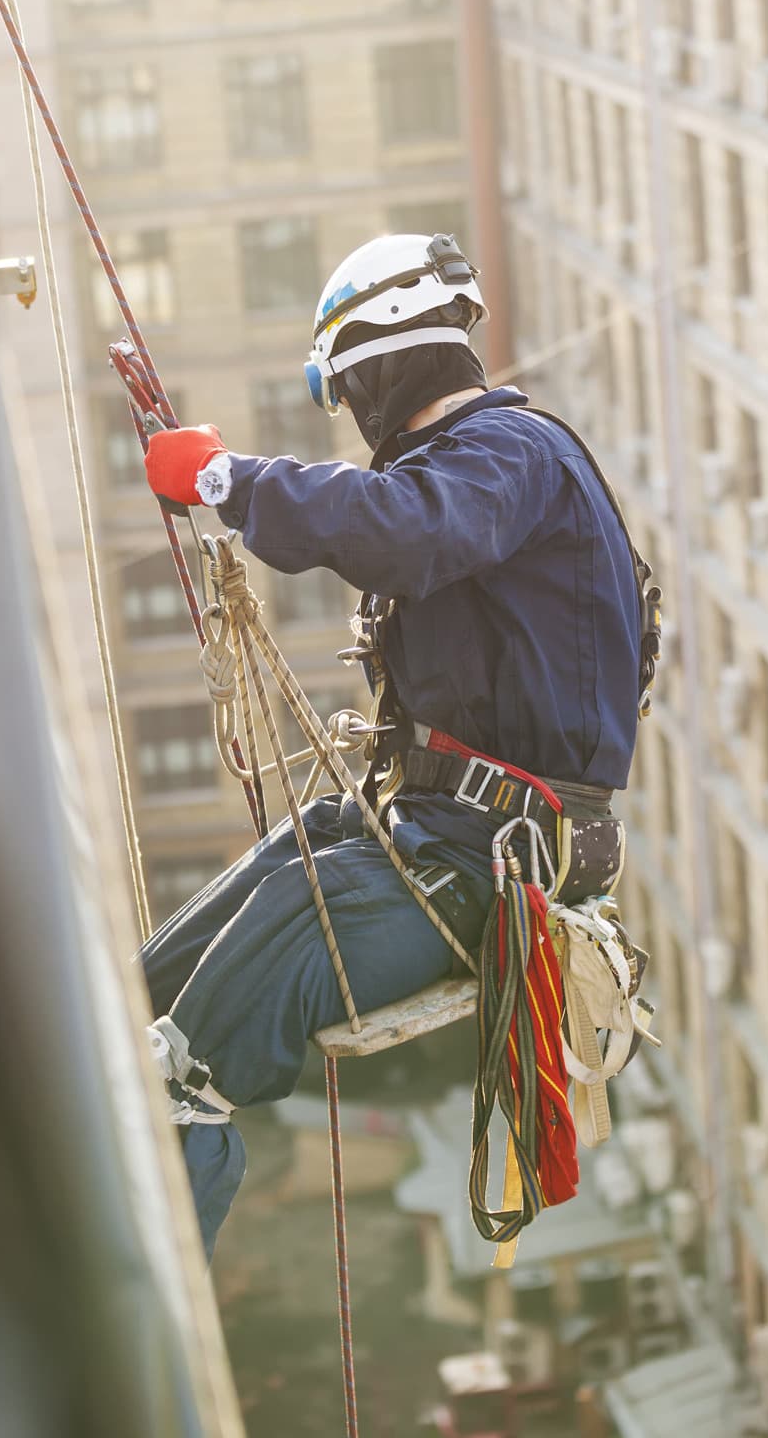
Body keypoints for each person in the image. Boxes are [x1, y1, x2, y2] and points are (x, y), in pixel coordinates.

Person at [138, 231, 645, 1258]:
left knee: (203, 1052)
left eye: (344, 386)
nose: (350, 414)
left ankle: (132, 1296)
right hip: (431, 830)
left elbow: (408, 527)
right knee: (159, 981)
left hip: (491, 860)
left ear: (376, 358)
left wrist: (232, 483)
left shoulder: (512, 457)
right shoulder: (490, 474)